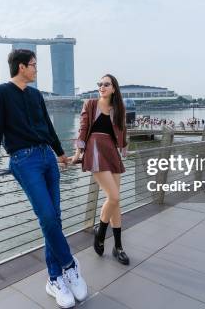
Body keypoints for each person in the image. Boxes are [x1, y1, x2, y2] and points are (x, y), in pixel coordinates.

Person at [0, 49, 87, 308]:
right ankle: (69, 264)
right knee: (46, 217)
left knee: (54, 218)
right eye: (34, 65)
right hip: (24, 161)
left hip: (47, 157)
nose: (36, 70)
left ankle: (55, 279)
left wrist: (60, 153)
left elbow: (47, 125)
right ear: (21, 67)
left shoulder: (36, 95)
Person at [70, 74, 130, 265]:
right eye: (100, 84)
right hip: (95, 149)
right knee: (114, 197)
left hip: (111, 151)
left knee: (115, 202)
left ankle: (118, 246)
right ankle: (101, 232)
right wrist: (78, 152)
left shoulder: (118, 109)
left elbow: (122, 130)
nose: (102, 87)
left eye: (106, 84)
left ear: (114, 89)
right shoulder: (90, 104)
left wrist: (124, 147)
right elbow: (83, 128)